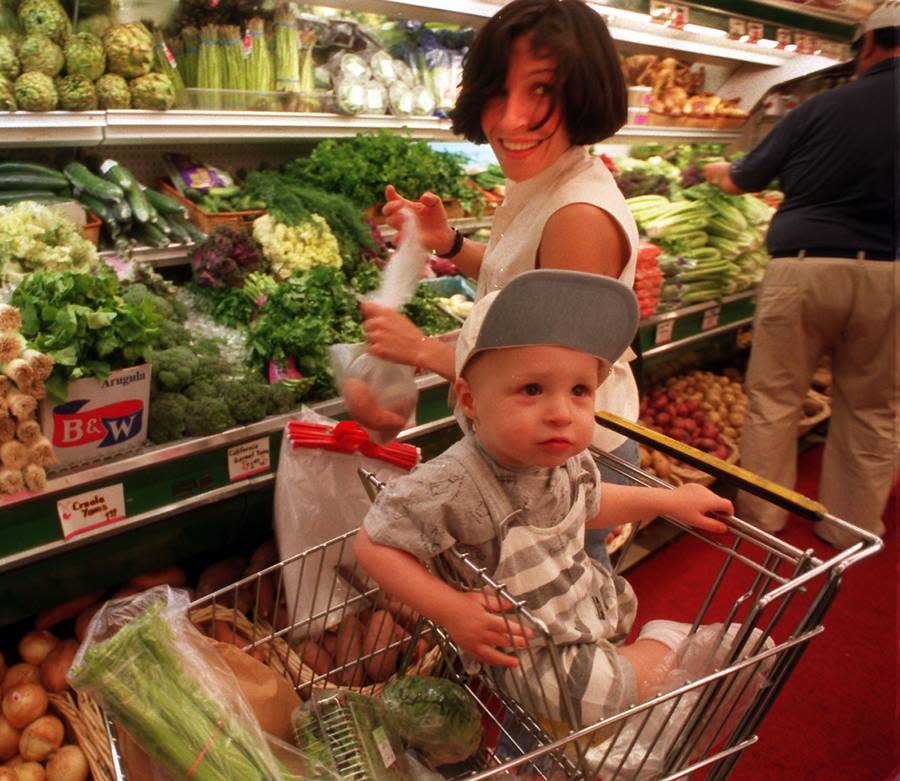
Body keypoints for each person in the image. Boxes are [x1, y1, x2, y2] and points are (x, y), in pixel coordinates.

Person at [354, 271, 734, 730]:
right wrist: (450, 610)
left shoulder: (562, 458)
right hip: (525, 650)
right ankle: (670, 651)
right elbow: (373, 545)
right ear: (471, 400)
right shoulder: (453, 481)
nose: (560, 413)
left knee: (593, 693)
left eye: (580, 391)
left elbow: (591, 504)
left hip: (572, 612)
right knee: (591, 700)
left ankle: (656, 655)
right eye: (532, 390)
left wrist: (668, 501)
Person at [347, 0, 639, 569]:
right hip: (536, 443)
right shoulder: (549, 181)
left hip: (570, 452)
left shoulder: (579, 214)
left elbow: (544, 376)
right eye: (497, 92)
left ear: (584, 91)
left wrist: (423, 350)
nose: (510, 120)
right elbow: (526, 283)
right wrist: (451, 244)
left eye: (541, 91)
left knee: (568, 608)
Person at [702, 2, 898, 548]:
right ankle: (849, 527)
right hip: (891, 274)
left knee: (775, 396)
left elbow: (744, 181)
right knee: (874, 408)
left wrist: (718, 171)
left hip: (806, 267)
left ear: (868, 46)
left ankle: (764, 518)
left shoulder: (823, 107)